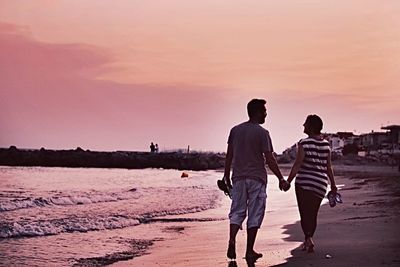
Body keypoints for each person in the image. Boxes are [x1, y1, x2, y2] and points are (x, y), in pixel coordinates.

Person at [223, 99, 287, 263]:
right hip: (257, 178)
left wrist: (225, 176)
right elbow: (269, 158)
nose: (266, 113)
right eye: (264, 110)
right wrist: (280, 178)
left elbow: (229, 155)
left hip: (237, 178)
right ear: (257, 112)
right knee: (255, 213)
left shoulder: (235, 130)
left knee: (237, 211)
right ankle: (249, 250)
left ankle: (232, 239)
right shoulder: (262, 133)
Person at [284, 114, 337, 252]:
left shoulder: (304, 143)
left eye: (306, 123)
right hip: (320, 184)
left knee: (304, 213)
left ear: (311, 127)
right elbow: (328, 166)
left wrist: (288, 181)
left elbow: (297, 164)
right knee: (313, 213)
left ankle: (308, 239)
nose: (303, 125)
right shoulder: (326, 145)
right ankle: (309, 239)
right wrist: (333, 185)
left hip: (304, 183)